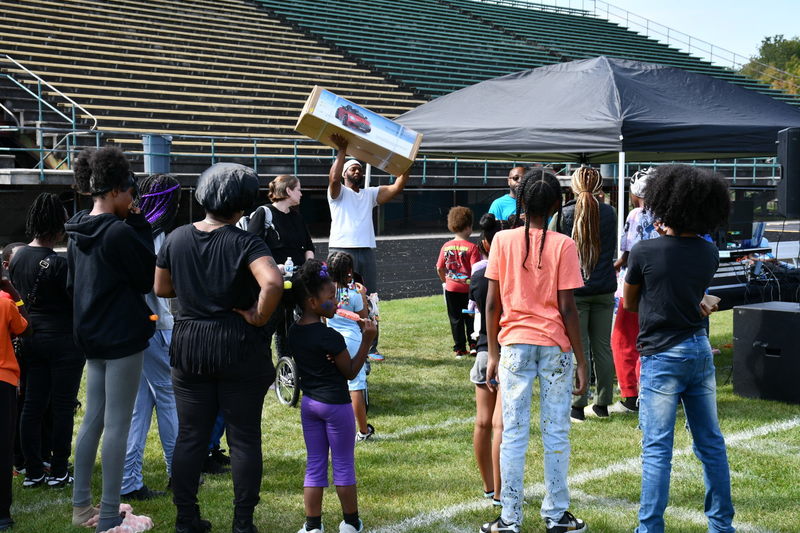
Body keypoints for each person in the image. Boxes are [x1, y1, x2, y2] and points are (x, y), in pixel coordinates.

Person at [154, 162, 283, 533]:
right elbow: (272, 283)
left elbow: (162, 288)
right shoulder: (246, 242)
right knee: (243, 438)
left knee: (191, 436)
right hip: (236, 343)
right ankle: (243, 523)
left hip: (190, 342)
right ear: (242, 203)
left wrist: (196, 291)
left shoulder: (177, 237)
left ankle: (186, 518)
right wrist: (258, 316)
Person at [623, 165, 733, 533]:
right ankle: (721, 525)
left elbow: (630, 303)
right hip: (698, 350)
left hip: (660, 354)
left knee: (657, 450)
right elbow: (690, 293)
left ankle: (650, 528)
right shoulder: (709, 252)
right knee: (711, 444)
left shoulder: (644, 250)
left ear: (665, 204)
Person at [480, 168, 588, 533]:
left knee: (513, 432)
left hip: (512, 346)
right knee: (556, 430)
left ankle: (510, 518)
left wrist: (493, 353)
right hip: (555, 346)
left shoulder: (502, 241)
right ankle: (556, 514)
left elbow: (491, 305)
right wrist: (582, 360)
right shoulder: (564, 244)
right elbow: (568, 308)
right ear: (558, 204)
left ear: (520, 201)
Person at [66, 147, 156, 532]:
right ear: (117, 190)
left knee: (94, 420)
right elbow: (143, 278)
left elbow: (73, 283)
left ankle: (82, 506)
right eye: (131, 194)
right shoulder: (119, 231)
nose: (133, 201)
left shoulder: (76, 226)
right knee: (117, 424)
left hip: (90, 334)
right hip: (121, 334)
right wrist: (141, 226)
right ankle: (106, 519)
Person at [289, 260, 377, 533]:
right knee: (342, 464)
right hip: (337, 406)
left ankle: (312, 525)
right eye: (330, 297)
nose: (335, 302)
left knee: (315, 464)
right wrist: (366, 340)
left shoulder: (294, 332)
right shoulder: (331, 338)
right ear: (312, 302)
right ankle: (351, 522)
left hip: (310, 404)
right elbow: (350, 373)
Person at [9, 194, 84, 488]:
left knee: (31, 405)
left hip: (30, 337)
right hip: (63, 341)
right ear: (57, 224)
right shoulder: (58, 263)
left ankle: (33, 470)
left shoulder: (17, 258)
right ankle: (60, 470)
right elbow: (75, 301)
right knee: (63, 407)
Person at [120, 174, 182, 500]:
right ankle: (177, 473)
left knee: (140, 406)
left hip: (137, 328)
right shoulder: (157, 236)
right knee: (169, 400)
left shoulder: (132, 230)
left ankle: (129, 481)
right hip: (157, 327)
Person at [327, 134, 409, 361]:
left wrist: (406, 165)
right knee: (338, 294)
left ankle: (372, 347)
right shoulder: (337, 193)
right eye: (352, 169)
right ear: (344, 173)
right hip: (341, 250)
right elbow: (333, 180)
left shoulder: (369, 194)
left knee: (369, 297)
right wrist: (342, 150)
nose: (357, 171)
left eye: (359, 168)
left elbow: (397, 186)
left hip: (366, 250)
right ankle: (336, 340)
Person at [554, 167, 617, 422]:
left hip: (576, 290)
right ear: (600, 188)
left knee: (578, 348)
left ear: (573, 187)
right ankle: (602, 403)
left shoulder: (565, 213)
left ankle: (577, 405)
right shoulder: (609, 212)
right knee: (603, 347)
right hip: (604, 286)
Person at [248, 174, 315, 358]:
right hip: (273, 281)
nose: (301, 194)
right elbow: (250, 247)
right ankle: (261, 367)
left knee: (290, 327)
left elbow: (308, 246)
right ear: (288, 191)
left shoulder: (297, 217)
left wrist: (308, 264)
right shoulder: (264, 213)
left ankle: (286, 371)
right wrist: (272, 268)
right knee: (270, 325)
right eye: (299, 189)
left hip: (297, 281)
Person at [610, 168, 659, 414]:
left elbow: (629, 253)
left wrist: (615, 266)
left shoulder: (636, 214)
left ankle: (631, 395)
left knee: (623, 340)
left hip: (635, 286)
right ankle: (650, 391)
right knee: (650, 339)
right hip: (660, 288)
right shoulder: (667, 214)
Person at [468, 213, 503, 506]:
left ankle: (490, 487)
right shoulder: (514, 274)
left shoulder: (478, 275)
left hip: (482, 351)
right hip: (507, 352)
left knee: (482, 423)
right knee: (501, 426)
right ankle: (501, 492)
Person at [326, 251, 373, 442]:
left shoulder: (325, 292)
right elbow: (363, 321)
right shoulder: (353, 294)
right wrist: (363, 296)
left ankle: (333, 426)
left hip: (330, 339)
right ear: (349, 271)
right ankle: (363, 430)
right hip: (352, 341)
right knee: (356, 385)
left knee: (334, 384)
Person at [0, 269, 31, 531]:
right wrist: (15, 293)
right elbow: (25, 328)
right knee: (3, 448)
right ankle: (2, 514)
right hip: (3, 380)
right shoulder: (5, 301)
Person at [436, 206, 481, 358]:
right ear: (468, 226)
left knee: (455, 319)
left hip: (451, 288)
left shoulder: (446, 246)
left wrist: (446, 281)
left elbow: (440, 268)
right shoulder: (472, 248)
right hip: (468, 289)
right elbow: (476, 270)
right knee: (470, 317)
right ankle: (474, 345)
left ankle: (459, 349)